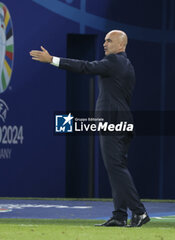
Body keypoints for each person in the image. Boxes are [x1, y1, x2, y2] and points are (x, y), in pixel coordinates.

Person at [30, 30, 150, 227]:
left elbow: (85, 67)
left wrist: (52, 59)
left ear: (121, 45)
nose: (104, 44)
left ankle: (139, 211)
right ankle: (120, 215)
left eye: (109, 41)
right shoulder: (126, 64)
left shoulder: (114, 62)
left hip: (113, 123)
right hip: (123, 122)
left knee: (116, 168)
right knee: (117, 169)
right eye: (104, 41)